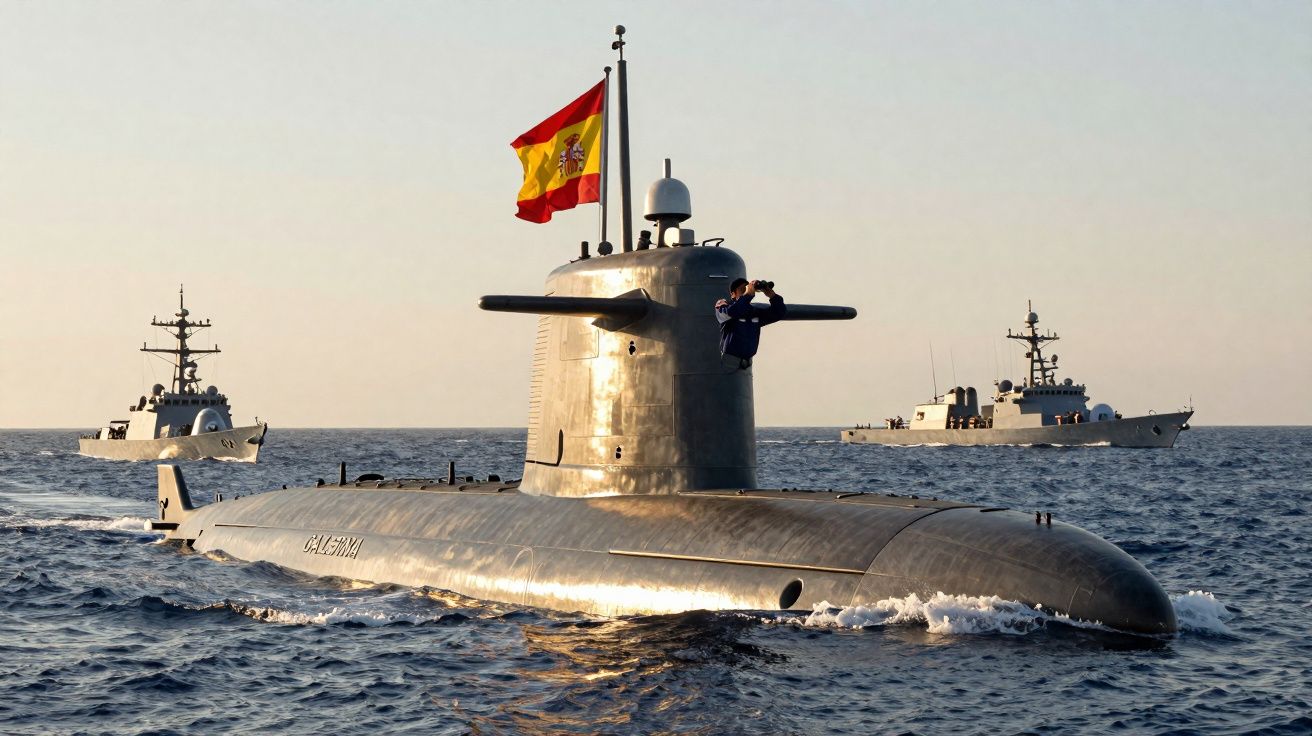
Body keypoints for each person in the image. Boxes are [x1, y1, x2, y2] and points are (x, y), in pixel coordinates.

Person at [715, 278, 786, 363]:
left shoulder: (753, 312)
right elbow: (733, 312)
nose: (746, 291)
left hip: (746, 365)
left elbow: (778, 313)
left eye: (747, 289)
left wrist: (772, 296)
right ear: (733, 294)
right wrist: (748, 295)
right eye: (742, 289)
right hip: (729, 363)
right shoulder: (725, 307)